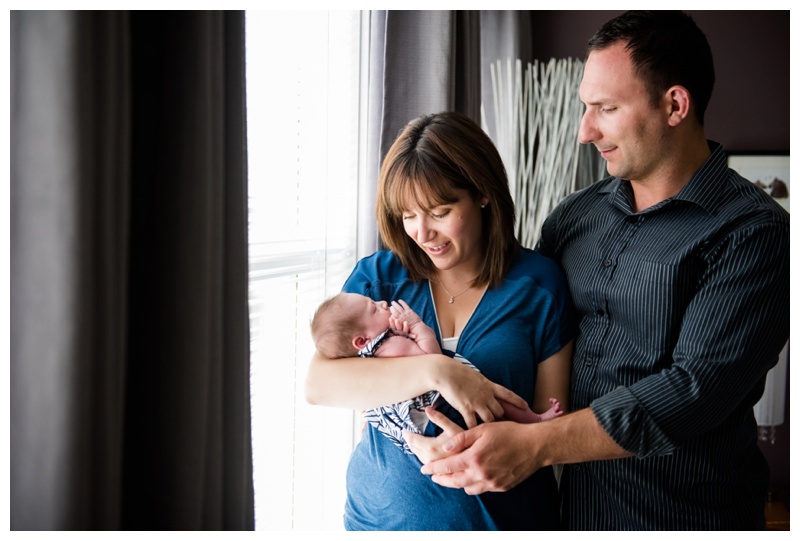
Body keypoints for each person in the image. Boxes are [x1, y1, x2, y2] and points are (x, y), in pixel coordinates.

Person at [409, 11, 790, 530]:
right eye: (585, 108)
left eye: (606, 109)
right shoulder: (573, 216)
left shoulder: (754, 233)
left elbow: (693, 390)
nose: (585, 131)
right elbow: (524, 325)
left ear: (675, 104)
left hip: (690, 517)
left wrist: (535, 446)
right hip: (573, 514)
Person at [305, 111, 575, 530]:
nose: (421, 232)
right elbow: (319, 386)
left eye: (439, 210)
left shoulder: (539, 285)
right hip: (377, 521)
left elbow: (549, 426)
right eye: (407, 215)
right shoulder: (377, 281)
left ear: (483, 194)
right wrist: (440, 370)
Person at [310, 292, 563, 454]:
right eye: (374, 308)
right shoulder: (391, 345)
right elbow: (432, 358)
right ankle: (534, 420)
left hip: (422, 424)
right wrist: (418, 327)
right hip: (441, 405)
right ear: (361, 340)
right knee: (494, 400)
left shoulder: (365, 359)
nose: (382, 302)